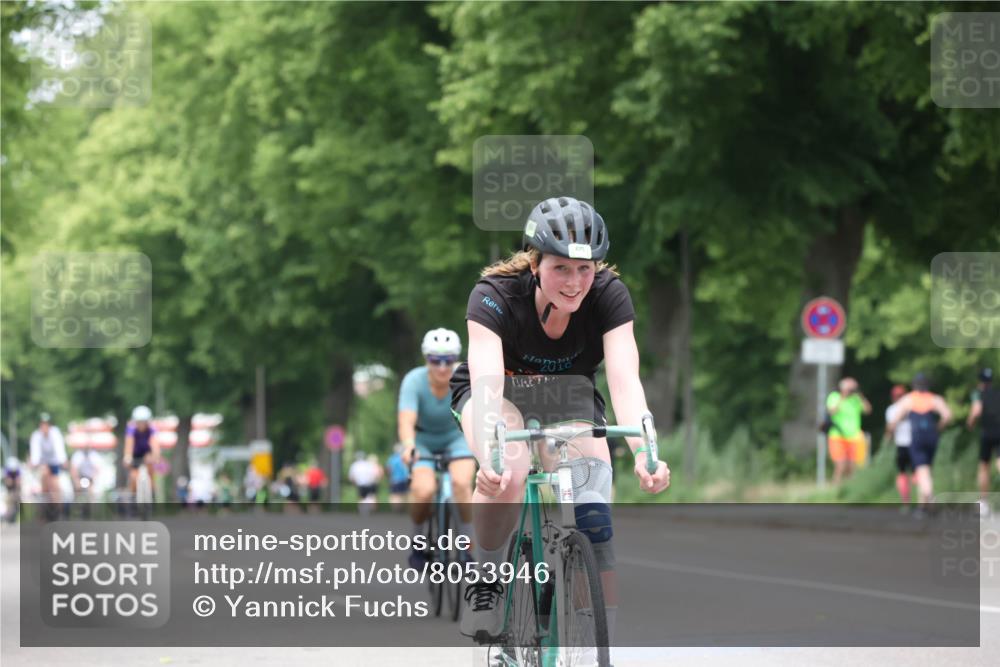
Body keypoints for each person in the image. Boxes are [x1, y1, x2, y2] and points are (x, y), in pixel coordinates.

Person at [449, 196, 671, 639]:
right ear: (535, 264)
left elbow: (625, 381)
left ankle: (591, 635)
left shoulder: (609, 295)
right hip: (499, 391)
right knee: (508, 473)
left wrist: (646, 454)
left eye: (585, 269)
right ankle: (488, 581)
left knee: (591, 502)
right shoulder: (493, 296)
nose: (574, 283)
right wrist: (493, 454)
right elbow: (489, 383)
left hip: (568, 394)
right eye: (560, 269)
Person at [398, 328, 476, 569]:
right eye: (435, 360)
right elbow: (406, 420)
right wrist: (409, 446)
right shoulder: (414, 380)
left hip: (457, 437)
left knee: (462, 483)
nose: (442, 367)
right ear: (426, 359)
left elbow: (477, 410)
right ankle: (419, 540)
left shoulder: (465, 375)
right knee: (423, 489)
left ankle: (467, 546)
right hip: (423, 441)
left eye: (448, 360)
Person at [888, 373, 952, 512]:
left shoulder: (909, 399)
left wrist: (890, 432)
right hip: (932, 437)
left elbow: (895, 419)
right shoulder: (935, 399)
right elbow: (947, 415)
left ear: (914, 385)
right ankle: (922, 506)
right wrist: (938, 427)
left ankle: (929, 496)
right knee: (926, 470)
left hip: (917, 437)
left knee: (922, 470)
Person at [826, 377, 872, 484]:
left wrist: (860, 395)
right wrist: (843, 396)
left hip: (854, 436)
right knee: (840, 465)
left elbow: (868, 410)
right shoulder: (834, 397)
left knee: (852, 466)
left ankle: (848, 489)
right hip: (837, 435)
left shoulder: (856, 398)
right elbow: (831, 412)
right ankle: (835, 488)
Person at [968, 368, 1000, 515]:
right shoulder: (997, 393)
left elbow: (976, 411)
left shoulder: (978, 394)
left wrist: (971, 423)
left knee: (984, 466)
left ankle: (984, 501)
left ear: (980, 381)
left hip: (987, 433)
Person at [29, 413, 68, 506]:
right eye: (42, 424)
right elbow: (35, 452)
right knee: (44, 476)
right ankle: (45, 504)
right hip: (44, 462)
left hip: (54, 461)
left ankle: (58, 506)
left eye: (46, 424)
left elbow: (59, 449)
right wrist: (34, 462)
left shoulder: (55, 433)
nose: (44, 426)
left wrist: (63, 460)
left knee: (55, 484)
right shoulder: (36, 435)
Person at [884, 384, 914, 506]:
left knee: (902, 473)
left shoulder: (891, 409)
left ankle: (906, 500)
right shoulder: (912, 407)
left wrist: (887, 440)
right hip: (913, 443)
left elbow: (890, 428)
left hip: (901, 444)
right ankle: (917, 497)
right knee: (917, 472)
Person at [123, 405, 160, 501]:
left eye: (144, 422)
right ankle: (133, 495)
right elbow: (129, 444)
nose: (141, 424)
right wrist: (127, 456)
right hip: (135, 455)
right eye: (139, 422)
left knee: (150, 471)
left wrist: (155, 456)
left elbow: (155, 443)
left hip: (147, 454)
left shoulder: (152, 430)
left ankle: (152, 491)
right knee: (134, 476)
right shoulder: (131, 430)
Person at [385, 443, 410, 508]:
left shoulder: (392, 459)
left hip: (395, 479)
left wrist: (388, 478)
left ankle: (397, 509)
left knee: (395, 495)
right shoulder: (405, 457)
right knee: (405, 494)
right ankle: (404, 508)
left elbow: (389, 469)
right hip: (405, 479)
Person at [3, 457, 21, 523]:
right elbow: (8, 482)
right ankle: (8, 518)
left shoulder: (18, 471)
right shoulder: (7, 471)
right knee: (10, 502)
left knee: (18, 500)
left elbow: (18, 482)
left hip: (16, 491)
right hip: (10, 491)